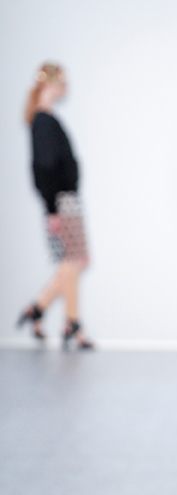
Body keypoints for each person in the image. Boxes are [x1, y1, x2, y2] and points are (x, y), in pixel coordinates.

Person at [17, 62, 93, 349]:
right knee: (74, 261)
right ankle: (70, 323)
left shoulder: (45, 119)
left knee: (73, 261)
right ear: (49, 84)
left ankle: (41, 311)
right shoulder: (43, 122)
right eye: (61, 82)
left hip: (65, 199)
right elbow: (44, 167)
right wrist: (52, 209)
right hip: (62, 200)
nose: (65, 87)